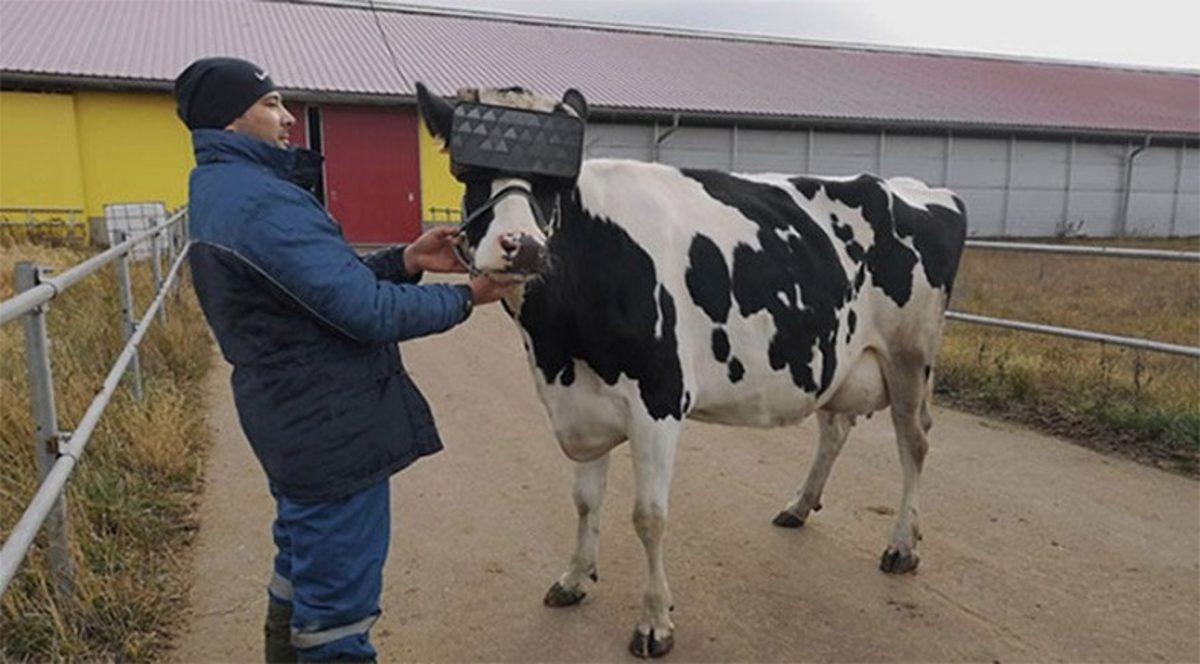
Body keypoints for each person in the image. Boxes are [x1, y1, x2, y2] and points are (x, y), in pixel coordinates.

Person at [173, 57, 512, 662]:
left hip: (293, 417)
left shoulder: (228, 189)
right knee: (336, 616)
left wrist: (405, 260)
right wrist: (467, 298)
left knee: (301, 563)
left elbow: (317, 289)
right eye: (271, 103)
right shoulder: (262, 203)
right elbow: (366, 311)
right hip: (327, 426)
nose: (288, 117)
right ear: (229, 119)